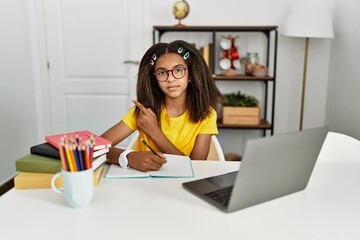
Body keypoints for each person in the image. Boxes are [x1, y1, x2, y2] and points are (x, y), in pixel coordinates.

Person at [101, 40, 223, 172]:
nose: (170, 79)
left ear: (190, 75)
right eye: (162, 72)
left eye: (178, 70)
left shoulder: (206, 114)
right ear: (155, 79)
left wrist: (155, 132)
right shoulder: (143, 113)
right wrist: (128, 157)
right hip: (142, 186)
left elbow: (194, 167)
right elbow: (93, 150)